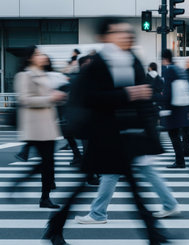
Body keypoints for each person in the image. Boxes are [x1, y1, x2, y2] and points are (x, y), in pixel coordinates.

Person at [42, 18, 167, 245]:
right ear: (105, 37)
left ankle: (154, 235)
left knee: (132, 188)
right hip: (103, 135)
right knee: (85, 187)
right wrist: (127, 94)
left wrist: (150, 131)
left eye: (126, 31)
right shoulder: (98, 64)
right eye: (117, 32)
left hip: (127, 135)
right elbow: (89, 98)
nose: (125, 35)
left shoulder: (132, 60)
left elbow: (143, 96)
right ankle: (55, 226)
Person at [14, 46, 67, 209]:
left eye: (41, 53)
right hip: (35, 127)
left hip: (48, 126)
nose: (42, 56)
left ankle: (43, 195)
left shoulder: (44, 75)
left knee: (48, 162)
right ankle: (43, 197)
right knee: (47, 162)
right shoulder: (24, 75)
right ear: (30, 58)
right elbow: (24, 99)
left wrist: (58, 97)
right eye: (37, 54)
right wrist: (50, 98)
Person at [161, 50, 189, 168]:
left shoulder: (169, 70)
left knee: (173, 135)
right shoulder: (179, 69)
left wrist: (164, 104)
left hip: (173, 109)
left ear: (165, 59)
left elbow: (168, 92)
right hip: (182, 107)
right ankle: (181, 159)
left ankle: (180, 161)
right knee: (177, 135)